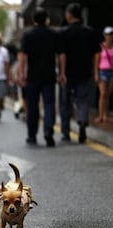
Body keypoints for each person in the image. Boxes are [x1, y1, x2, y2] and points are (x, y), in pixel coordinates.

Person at [18, 7, 64, 147]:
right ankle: (48, 130)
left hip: (32, 76)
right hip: (49, 75)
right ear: (47, 19)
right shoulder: (54, 34)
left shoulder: (28, 35)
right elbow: (61, 55)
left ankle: (32, 136)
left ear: (33, 20)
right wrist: (62, 73)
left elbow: (22, 56)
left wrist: (21, 74)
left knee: (32, 106)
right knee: (49, 104)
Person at [59, 2, 101, 143]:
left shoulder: (64, 32)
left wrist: (62, 72)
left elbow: (62, 54)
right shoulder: (89, 32)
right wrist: (95, 71)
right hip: (84, 72)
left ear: (70, 15)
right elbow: (96, 54)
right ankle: (82, 122)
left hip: (68, 73)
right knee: (82, 100)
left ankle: (66, 133)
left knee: (65, 102)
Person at [94, 26, 113, 124]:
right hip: (103, 71)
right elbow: (97, 61)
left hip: (112, 72)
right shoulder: (101, 46)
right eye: (108, 34)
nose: (110, 36)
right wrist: (96, 74)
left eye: (111, 34)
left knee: (108, 95)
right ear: (104, 35)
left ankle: (105, 115)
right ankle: (100, 115)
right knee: (103, 94)